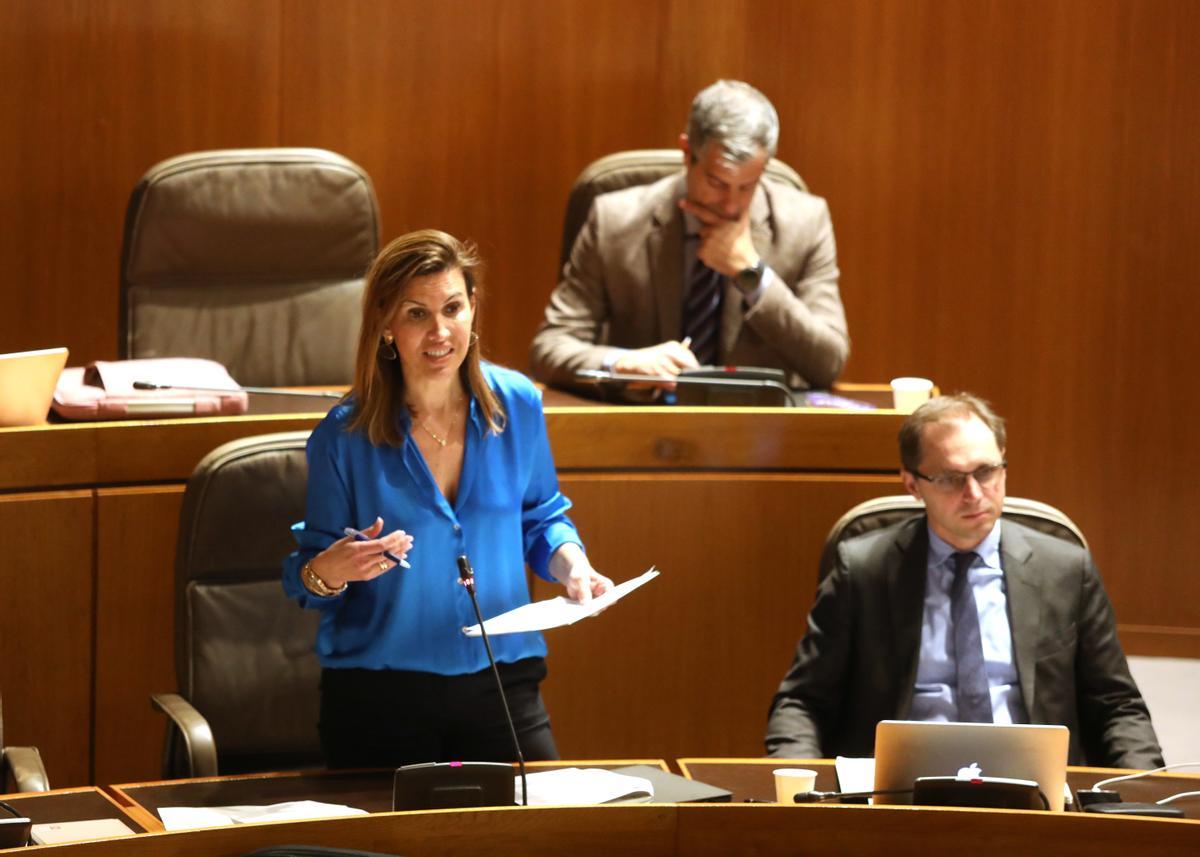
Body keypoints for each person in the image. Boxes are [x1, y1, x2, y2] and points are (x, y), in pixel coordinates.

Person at [283, 229, 612, 768]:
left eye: (453, 308)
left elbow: (540, 517)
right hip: (381, 695)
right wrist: (334, 570)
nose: (439, 331)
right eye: (416, 314)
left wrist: (572, 564)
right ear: (386, 325)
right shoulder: (343, 437)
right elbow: (308, 578)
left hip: (504, 681)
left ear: (473, 309)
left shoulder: (519, 405)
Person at [765, 393, 1163, 769]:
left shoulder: (1065, 570)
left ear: (1003, 462)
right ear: (911, 483)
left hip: (1031, 787)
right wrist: (801, 794)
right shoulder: (863, 571)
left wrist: (1142, 797)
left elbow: (1116, 706)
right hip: (898, 793)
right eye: (951, 478)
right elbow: (802, 702)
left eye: (986, 471)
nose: (974, 493)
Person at [529, 79, 849, 397]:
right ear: (687, 153)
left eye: (748, 185)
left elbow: (829, 361)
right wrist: (622, 363)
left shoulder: (806, 222)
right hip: (644, 426)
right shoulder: (614, 222)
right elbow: (550, 347)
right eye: (717, 182)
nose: (732, 204)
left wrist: (752, 274)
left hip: (759, 433)